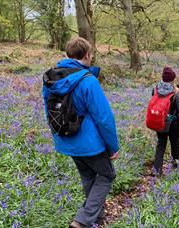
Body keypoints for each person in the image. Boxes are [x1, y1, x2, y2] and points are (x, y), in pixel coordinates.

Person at [42, 37, 119, 228]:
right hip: (90, 144)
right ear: (87, 55)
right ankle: (82, 221)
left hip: (66, 140)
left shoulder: (51, 78)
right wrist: (113, 146)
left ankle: (97, 217)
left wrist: (57, 136)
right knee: (108, 175)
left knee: (88, 176)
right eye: (91, 54)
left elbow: (48, 110)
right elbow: (104, 118)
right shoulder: (88, 80)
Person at [152, 66, 179, 176]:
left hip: (159, 121)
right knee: (175, 143)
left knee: (161, 144)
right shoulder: (176, 92)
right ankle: (176, 166)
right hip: (173, 122)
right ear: (173, 79)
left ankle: (156, 170)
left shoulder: (155, 89)